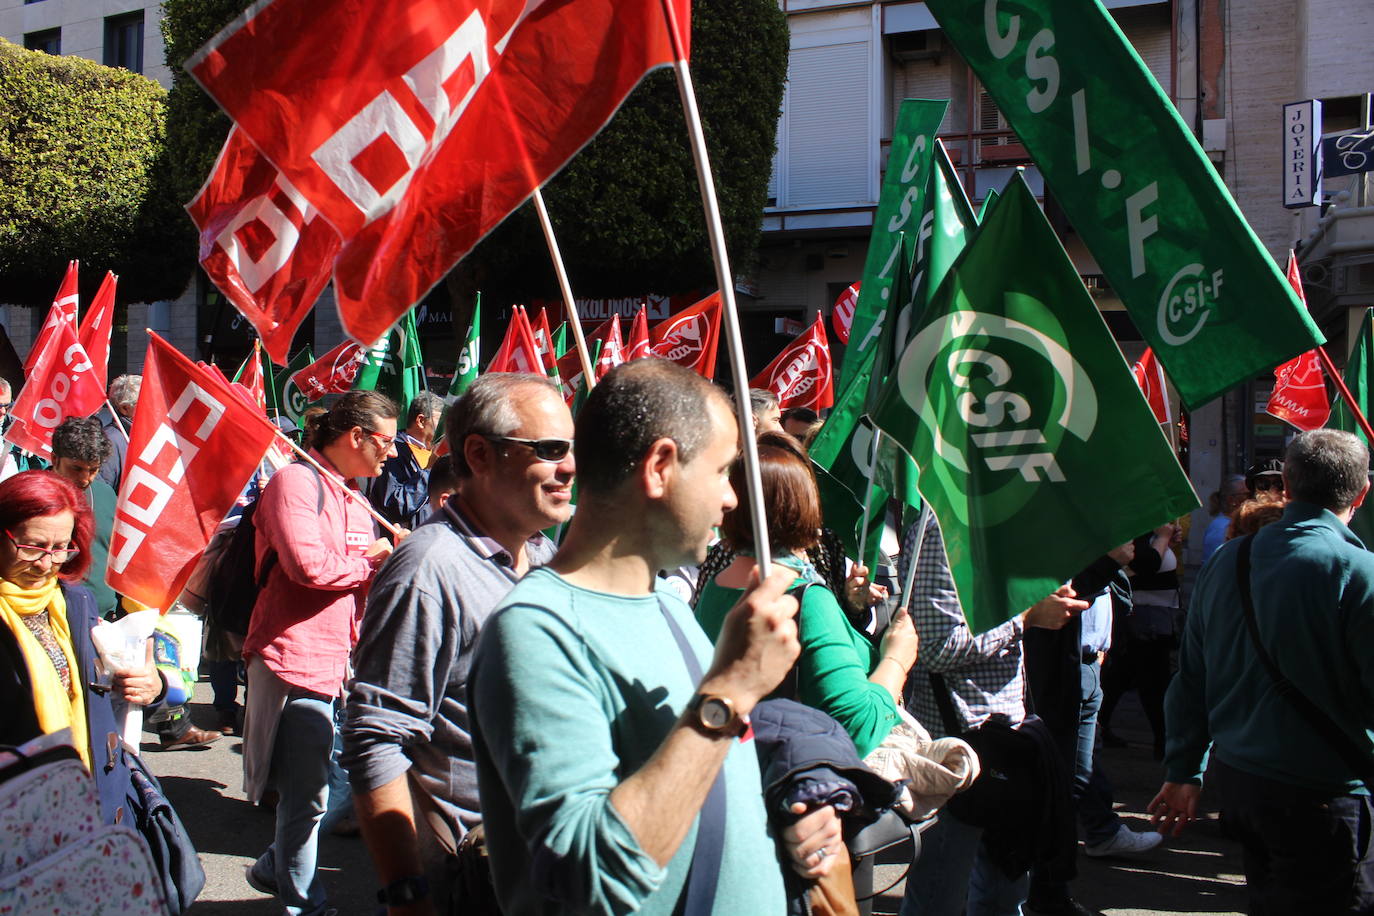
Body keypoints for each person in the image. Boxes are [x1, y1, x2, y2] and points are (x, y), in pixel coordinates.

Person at [469, 359, 840, 915]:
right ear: (661, 466)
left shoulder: (666, 599)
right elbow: (587, 876)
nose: (732, 499)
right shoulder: (534, 629)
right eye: (721, 472)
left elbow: (695, 765)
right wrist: (732, 688)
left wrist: (789, 807)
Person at [343, 373, 574, 913]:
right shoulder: (429, 568)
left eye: (572, 448)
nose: (570, 467)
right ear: (479, 454)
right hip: (472, 879)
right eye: (551, 449)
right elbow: (375, 738)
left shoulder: (541, 556)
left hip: (538, 866)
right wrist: (407, 892)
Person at [1151, 429, 1374, 914]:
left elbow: (1192, 675)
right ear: (1362, 493)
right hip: (1325, 793)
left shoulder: (1229, 559)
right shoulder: (1360, 571)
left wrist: (1184, 768)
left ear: (1287, 488)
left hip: (1242, 784)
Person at [242, 390, 400, 916]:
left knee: (340, 786)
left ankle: (274, 866)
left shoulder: (351, 493)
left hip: (342, 663)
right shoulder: (294, 481)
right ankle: (304, 905)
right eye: (387, 440)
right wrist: (373, 562)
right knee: (307, 794)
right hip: (293, 658)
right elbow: (308, 567)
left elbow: (352, 573)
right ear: (356, 437)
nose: (394, 453)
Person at [899, 510, 1089, 916]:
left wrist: (1043, 594)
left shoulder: (1002, 522)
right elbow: (935, 649)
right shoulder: (943, 527)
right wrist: (1025, 617)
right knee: (938, 898)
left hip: (1005, 738)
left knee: (1004, 891)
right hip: (957, 749)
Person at [694, 430, 917, 757]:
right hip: (798, 783)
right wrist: (898, 658)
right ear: (804, 501)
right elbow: (857, 728)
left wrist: (850, 606)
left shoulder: (719, 578)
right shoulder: (803, 596)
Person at [0, 470, 170, 823]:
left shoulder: (75, 603)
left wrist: (153, 686)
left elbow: (111, 695)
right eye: (31, 546)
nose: (46, 563)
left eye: (60, 548)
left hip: (91, 813)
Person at [49, 416, 222, 751]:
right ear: (54, 458)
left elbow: (120, 548)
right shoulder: (33, 493)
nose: (85, 479)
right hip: (55, 618)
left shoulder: (103, 493)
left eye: (93, 469)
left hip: (107, 616)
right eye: (76, 469)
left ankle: (168, 729)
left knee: (133, 683)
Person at [368, 391, 445, 530]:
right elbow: (394, 506)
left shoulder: (441, 454)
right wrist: (428, 470)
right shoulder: (391, 451)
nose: (445, 430)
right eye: (441, 422)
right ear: (421, 421)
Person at [98, 374, 140, 491]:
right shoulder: (109, 441)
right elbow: (104, 491)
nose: (151, 408)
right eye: (143, 403)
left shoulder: (143, 436)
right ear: (124, 408)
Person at [1201, 474, 1246, 561]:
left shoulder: (1235, 523)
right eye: (1246, 494)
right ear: (1231, 500)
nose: (1253, 498)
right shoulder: (1220, 528)